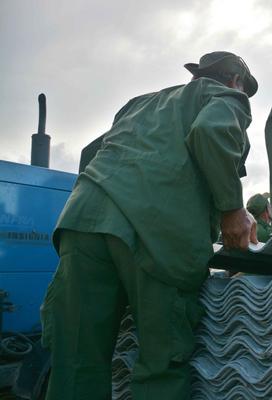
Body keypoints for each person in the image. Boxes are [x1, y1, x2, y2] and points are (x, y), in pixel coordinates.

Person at [40, 51, 258, 400]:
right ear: (236, 81)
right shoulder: (227, 98)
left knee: (76, 360)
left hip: (84, 220)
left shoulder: (138, 104)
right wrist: (232, 210)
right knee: (161, 363)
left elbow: (90, 153)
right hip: (155, 233)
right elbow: (210, 132)